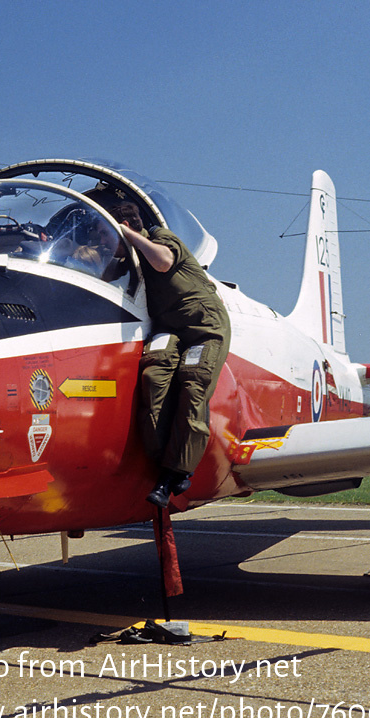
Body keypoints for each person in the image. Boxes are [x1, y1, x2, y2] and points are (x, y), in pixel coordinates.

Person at [109, 202, 231, 508]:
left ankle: (175, 472)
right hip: (170, 329)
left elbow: (163, 262)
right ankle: (165, 460)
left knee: (192, 384)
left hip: (204, 326)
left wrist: (127, 234)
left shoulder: (161, 238)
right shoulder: (133, 257)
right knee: (154, 375)